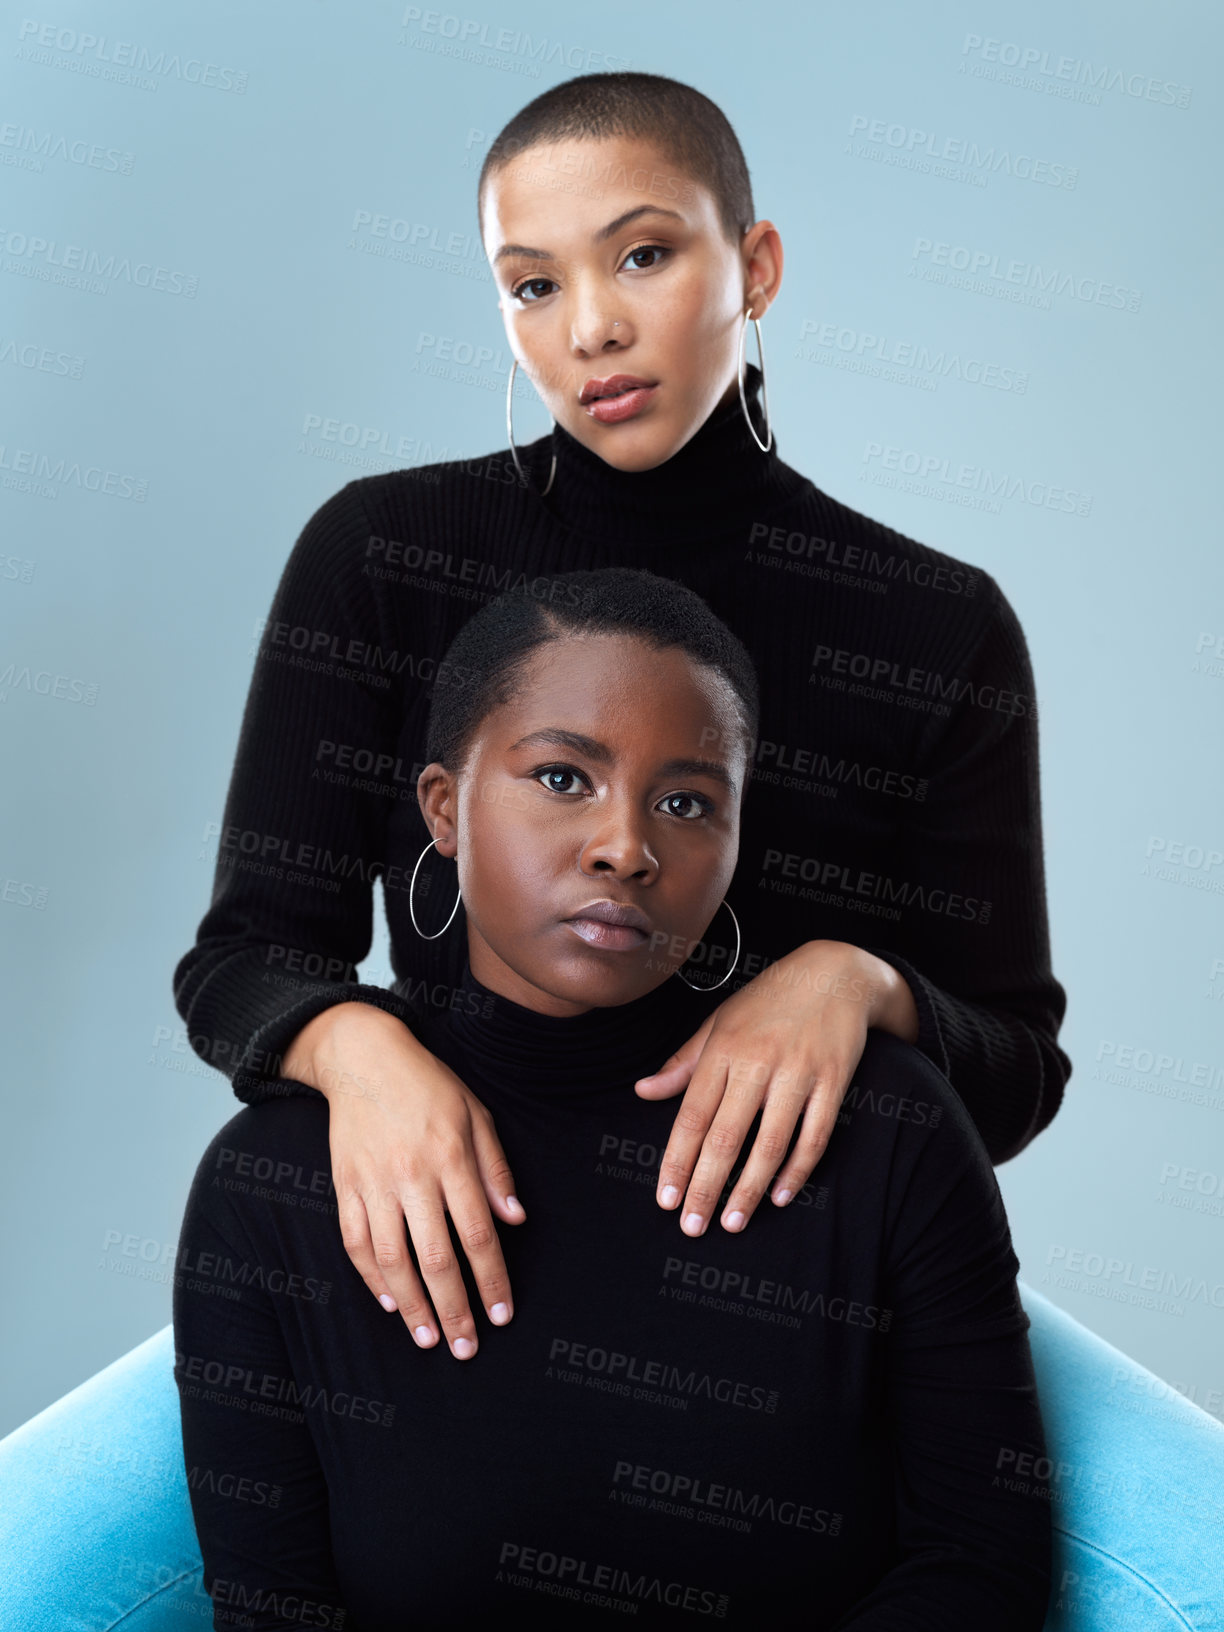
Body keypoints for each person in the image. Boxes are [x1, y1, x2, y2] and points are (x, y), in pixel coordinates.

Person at [173, 70, 1070, 1361]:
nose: (590, 327)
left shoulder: (934, 622)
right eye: (534, 284)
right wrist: (360, 1052)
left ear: (755, 266)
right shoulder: (384, 554)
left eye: (642, 255)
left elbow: (1015, 1075)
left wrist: (857, 984)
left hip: (805, 1306)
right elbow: (246, 958)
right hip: (440, 1268)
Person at [173, 567, 1051, 1629]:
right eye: (562, 778)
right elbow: (275, 1612)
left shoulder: (885, 1130)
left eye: (687, 803)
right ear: (443, 810)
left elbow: (981, 1566)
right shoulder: (275, 1183)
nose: (626, 849)